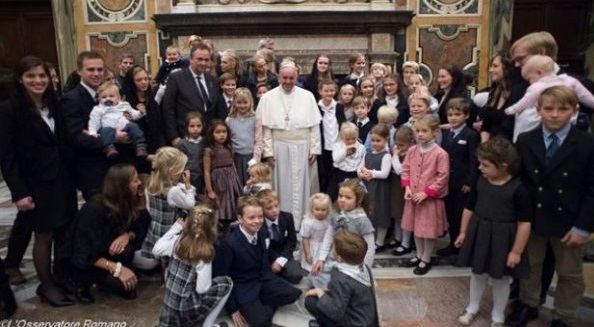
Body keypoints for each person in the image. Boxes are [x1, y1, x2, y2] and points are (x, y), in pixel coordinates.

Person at [507, 86, 594, 327]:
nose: (555, 114)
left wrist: (583, 226)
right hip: (533, 217)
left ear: (575, 111)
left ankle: (563, 315)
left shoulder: (587, 144)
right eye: (549, 109)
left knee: (569, 273)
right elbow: (519, 181)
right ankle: (529, 304)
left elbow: (592, 189)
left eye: (563, 109)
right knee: (531, 265)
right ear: (538, 110)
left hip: (569, 221)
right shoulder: (526, 140)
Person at [0, 56, 78, 306]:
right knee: (43, 235)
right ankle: (46, 286)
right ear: (21, 79)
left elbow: (64, 142)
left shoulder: (55, 104)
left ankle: (61, 277)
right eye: (31, 76)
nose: (38, 80)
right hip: (36, 183)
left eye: (42, 75)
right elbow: (7, 157)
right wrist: (19, 193)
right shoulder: (9, 110)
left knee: (65, 231)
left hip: (62, 180)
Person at [455, 137, 532, 327]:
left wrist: (516, 251)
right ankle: (472, 307)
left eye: (485, 164)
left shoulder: (518, 190)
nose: (480, 167)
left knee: (502, 279)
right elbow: (469, 208)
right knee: (477, 273)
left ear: (504, 166)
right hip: (479, 232)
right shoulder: (481, 181)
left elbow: (524, 223)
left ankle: (498, 315)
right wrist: (463, 232)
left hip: (503, 237)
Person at [213, 196, 302, 327]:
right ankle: (254, 305)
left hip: (263, 278)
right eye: (251, 218)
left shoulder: (263, 232)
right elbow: (221, 277)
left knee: (294, 294)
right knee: (261, 323)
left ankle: (259, 303)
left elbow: (265, 257)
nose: (257, 221)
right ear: (240, 218)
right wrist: (232, 308)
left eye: (260, 217)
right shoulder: (229, 244)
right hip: (244, 286)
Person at [66, 164, 149, 303]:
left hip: (108, 254)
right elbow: (83, 251)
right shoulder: (94, 210)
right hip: (89, 262)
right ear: (122, 186)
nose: (139, 183)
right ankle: (82, 283)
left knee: (129, 286)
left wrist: (127, 235)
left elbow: (141, 223)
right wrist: (117, 269)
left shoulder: (126, 201)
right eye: (135, 181)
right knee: (125, 285)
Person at [256, 61, 322, 230]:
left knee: (302, 187)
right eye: (284, 78)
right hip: (279, 148)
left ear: (297, 77)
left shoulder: (307, 96)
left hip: (302, 147)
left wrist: (314, 148)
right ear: (279, 77)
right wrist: (268, 152)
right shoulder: (267, 97)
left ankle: (301, 224)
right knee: (281, 188)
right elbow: (266, 130)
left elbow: (314, 126)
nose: (288, 81)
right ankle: (282, 223)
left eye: (291, 78)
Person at [153, 203, 233, 327]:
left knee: (168, 265)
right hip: (187, 309)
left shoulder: (176, 241)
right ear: (212, 228)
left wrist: (175, 228)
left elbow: (156, 249)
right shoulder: (205, 252)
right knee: (227, 283)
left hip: (170, 305)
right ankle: (208, 325)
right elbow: (202, 289)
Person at [400, 115, 449, 275]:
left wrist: (427, 193)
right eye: (418, 131)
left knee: (427, 231)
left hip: (429, 200)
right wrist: (407, 188)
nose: (420, 134)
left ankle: (426, 258)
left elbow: (442, 176)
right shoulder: (412, 150)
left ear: (434, 132)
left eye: (424, 131)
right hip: (413, 197)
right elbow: (405, 169)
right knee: (416, 228)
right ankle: (419, 255)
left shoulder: (440, 154)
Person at [60, 50, 111, 200]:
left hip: (115, 168)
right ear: (79, 72)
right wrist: (112, 137)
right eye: (91, 69)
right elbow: (77, 138)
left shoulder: (110, 95)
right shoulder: (71, 99)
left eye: (100, 69)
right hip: (93, 172)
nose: (96, 73)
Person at [504, 55, 594, 139]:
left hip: (536, 124)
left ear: (539, 72)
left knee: (524, 119)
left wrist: (513, 109)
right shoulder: (570, 81)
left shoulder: (536, 87)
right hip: (570, 123)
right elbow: (585, 96)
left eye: (530, 79)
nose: (529, 82)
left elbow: (525, 101)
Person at [137, 147, 196, 270]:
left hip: (157, 228)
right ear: (172, 171)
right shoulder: (173, 192)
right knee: (171, 261)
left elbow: (149, 207)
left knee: (163, 258)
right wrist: (189, 186)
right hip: (172, 229)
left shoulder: (150, 185)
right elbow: (190, 204)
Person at [305, 231, 379, 327]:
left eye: (333, 248)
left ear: (339, 258)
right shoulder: (363, 267)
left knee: (311, 301)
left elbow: (335, 312)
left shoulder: (342, 278)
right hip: (365, 317)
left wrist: (320, 293)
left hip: (355, 323)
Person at [311, 178, 375, 289]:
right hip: (335, 257)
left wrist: (365, 269)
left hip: (352, 261)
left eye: (348, 197)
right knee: (318, 275)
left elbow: (370, 248)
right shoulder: (336, 214)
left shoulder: (362, 221)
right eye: (340, 196)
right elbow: (329, 236)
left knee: (346, 283)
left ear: (358, 200)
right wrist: (321, 258)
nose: (342, 200)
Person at [437, 98, 479, 257]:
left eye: (457, 114)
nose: (453, 117)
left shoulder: (471, 135)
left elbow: (473, 161)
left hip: (463, 183)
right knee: (451, 216)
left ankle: (464, 250)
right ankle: (453, 244)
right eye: (450, 114)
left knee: (461, 216)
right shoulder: (446, 133)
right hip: (448, 183)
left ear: (466, 115)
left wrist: (470, 182)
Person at [163, 43, 221, 145]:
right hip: (185, 138)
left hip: (209, 139)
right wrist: (174, 136)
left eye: (206, 60)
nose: (203, 63)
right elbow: (168, 109)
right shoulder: (176, 78)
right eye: (199, 59)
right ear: (191, 59)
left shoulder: (213, 80)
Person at [88, 82, 147, 158]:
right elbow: (94, 122)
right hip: (110, 131)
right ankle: (109, 148)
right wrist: (93, 132)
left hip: (126, 128)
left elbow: (133, 115)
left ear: (118, 98)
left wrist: (141, 112)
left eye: (111, 96)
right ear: (99, 99)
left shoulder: (124, 105)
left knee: (133, 126)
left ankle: (140, 145)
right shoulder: (98, 109)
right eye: (104, 97)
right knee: (105, 131)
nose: (107, 99)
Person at [257, 189, 303, 284]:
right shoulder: (259, 223)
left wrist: (280, 261)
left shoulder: (287, 217)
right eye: (269, 208)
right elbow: (263, 247)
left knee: (296, 275)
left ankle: (280, 270)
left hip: (284, 253)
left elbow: (292, 241)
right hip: (267, 254)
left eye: (276, 206)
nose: (274, 210)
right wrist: (274, 260)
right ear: (261, 209)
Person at [358, 125, 392, 252]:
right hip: (368, 188)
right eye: (373, 140)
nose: (375, 143)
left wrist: (370, 173)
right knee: (369, 213)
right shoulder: (367, 153)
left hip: (380, 189)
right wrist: (361, 174)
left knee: (381, 213)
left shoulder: (386, 155)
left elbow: (384, 173)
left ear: (385, 140)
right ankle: (369, 239)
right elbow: (360, 167)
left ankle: (380, 241)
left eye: (378, 141)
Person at [124, 65, 167, 160]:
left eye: (146, 79)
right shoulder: (127, 104)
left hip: (157, 151)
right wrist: (146, 156)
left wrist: (162, 149)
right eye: (139, 80)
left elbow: (160, 128)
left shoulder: (152, 102)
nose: (144, 82)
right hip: (137, 154)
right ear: (132, 82)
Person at [203, 120, 242, 223]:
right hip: (218, 182)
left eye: (224, 132)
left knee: (232, 204)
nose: (222, 135)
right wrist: (210, 190)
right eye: (218, 132)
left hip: (231, 181)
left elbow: (232, 164)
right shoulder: (209, 151)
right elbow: (206, 171)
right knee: (220, 206)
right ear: (211, 133)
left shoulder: (229, 147)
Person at [225, 87, 264, 186]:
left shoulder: (256, 119)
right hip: (235, 159)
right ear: (234, 103)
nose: (242, 106)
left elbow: (259, 140)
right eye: (239, 102)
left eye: (245, 102)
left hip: (251, 158)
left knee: (251, 185)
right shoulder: (229, 120)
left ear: (250, 102)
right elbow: (228, 142)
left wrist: (255, 159)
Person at [479, 52, 519, 143]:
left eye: (495, 66)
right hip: (491, 148)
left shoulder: (517, 93)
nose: (490, 70)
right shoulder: (495, 92)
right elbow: (486, 124)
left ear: (507, 68)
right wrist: (485, 146)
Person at [390, 126, 415, 256]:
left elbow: (400, 170)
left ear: (410, 143)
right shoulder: (400, 151)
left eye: (402, 145)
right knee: (396, 214)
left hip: (405, 187)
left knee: (404, 215)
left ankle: (405, 243)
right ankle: (397, 238)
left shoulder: (410, 154)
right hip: (395, 186)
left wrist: (394, 156)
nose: (398, 147)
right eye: (397, 144)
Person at [318, 80, 346, 193]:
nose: (329, 93)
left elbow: (342, 124)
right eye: (326, 91)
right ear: (320, 91)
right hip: (323, 147)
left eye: (331, 91)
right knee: (323, 175)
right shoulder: (317, 107)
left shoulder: (339, 107)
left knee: (336, 175)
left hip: (337, 146)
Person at [328, 122, 366, 201]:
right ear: (342, 137)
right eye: (347, 139)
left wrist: (360, 172)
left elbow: (362, 161)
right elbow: (336, 159)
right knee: (333, 196)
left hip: (354, 175)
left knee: (353, 197)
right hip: (339, 174)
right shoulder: (338, 146)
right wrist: (345, 151)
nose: (351, 141)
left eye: (353, 138)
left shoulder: (361, 147)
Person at [301, 193, 332, 273]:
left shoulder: (328, 221)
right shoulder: (309, 222)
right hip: (312, 246)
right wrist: (308, 253)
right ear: (312, 209)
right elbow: (305, 238)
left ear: (328, 210)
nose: (320, 212)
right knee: (311, 266)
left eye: (323, 210)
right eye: (317, 209)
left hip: (324, 244)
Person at [177, 112, 205, 193]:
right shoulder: (182, 144)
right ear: (186, 127)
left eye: (198, 126)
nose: (195, 129)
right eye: (192, 126)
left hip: (203, 176)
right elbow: (180, 163)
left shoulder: (205, 142)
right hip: (189, 177)